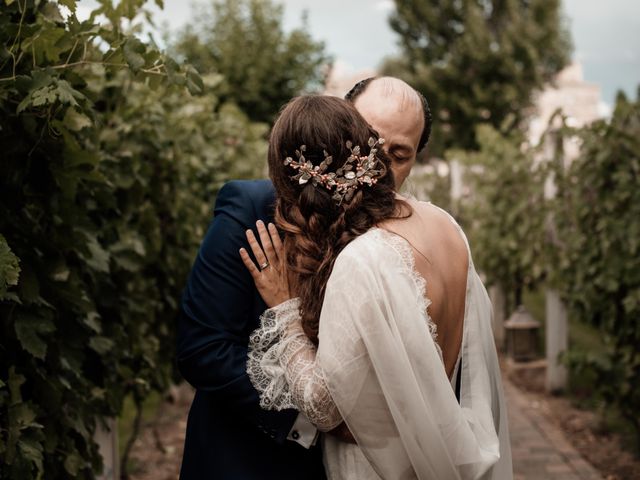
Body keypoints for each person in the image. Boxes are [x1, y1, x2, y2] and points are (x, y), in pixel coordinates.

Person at [241, 95, 513, 479]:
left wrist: (285, 310)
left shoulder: (361, 260)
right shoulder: (445, 224)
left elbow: (322, 405)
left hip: (376, 466)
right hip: (447, 450)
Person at [176, 77, 430, 479]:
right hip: (248, 463)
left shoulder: (406, 239)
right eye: (368, 144)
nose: (377, 168)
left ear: (416, 158)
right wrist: (311, 421)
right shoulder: (251, 211)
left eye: (398, 154)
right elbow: (202, 348)